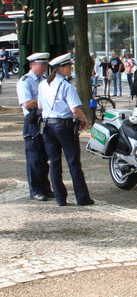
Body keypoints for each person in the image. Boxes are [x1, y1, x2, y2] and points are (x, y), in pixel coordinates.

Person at [38, 53, 94, 207]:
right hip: (63, 126)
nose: (71, 68)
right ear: (61, 68)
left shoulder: (43, 84)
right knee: (73, 162)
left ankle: (60, 198)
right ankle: (82, 198)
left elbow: (40, 107)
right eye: (69, 66)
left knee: (55, 163)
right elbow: (75, 109)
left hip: (47, 125)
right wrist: (85, 119)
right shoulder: (66, 86)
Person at [16, 52, 53, 201]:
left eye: (45, 64)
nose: (44, 67)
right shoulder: (25, 81)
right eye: (41, 64)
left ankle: (45, 188)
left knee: (44, 156)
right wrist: (44, 98)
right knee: (34, 157)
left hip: (45, 119)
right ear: (32, 65)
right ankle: (35, 190)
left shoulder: (44, 80)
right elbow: (26, 103)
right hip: (32, 120)